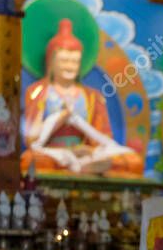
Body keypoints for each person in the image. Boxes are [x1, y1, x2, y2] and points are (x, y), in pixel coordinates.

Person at [21, 19, 143, 176]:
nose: (70, 66)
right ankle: (76, 166)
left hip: (87, 154)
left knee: (134, 161)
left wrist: (87, 149)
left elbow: (104, 138)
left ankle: (89, 166)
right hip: (52, 154)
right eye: (64, 61)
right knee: (30, 160)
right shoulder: (38, 92)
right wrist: (59, 119)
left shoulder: (92, 96)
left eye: (75, 62)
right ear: (51, 62)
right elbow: (31, 139)